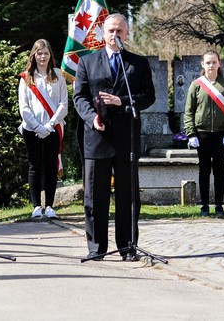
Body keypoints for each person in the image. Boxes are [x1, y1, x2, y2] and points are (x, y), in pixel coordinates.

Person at [73, 13, 155, 261]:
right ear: (102, 33)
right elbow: (80, 97)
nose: (114, 35)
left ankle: (128, 247)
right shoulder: (87, 62)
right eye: (110, 30)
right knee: (95, 196)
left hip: (126, 137)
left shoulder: (137, 63)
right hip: (97, 136)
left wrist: (124, 100)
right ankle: (96, 247)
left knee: (128, 197)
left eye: (119, 31)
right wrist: (91, 118)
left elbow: (148, 95)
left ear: (126, 34)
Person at [18, 39, 68, 220]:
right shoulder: (26, 78)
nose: (43, 56)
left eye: (46, 53)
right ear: (34, 55)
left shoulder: (58, 75)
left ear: (50, 55)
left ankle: (50, 206)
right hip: (32, 129)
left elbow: (63, 104)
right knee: (34, 166)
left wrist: (50, 125)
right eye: (39, 53)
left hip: (53, 129)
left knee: (50, 166)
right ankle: (36, 206)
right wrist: (38, 127)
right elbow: (23, 107)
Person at [183, 51, 224, 218]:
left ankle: (219, 205)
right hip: (202, 133)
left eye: (214, 62)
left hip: (221, 134)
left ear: (219, 64)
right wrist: (191, 133)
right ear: (202, 64)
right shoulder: (196, 85)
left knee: (219, 170)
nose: (211, 65)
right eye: (208, 62)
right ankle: (204, 205)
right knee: (204, 170)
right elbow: (188, 111)